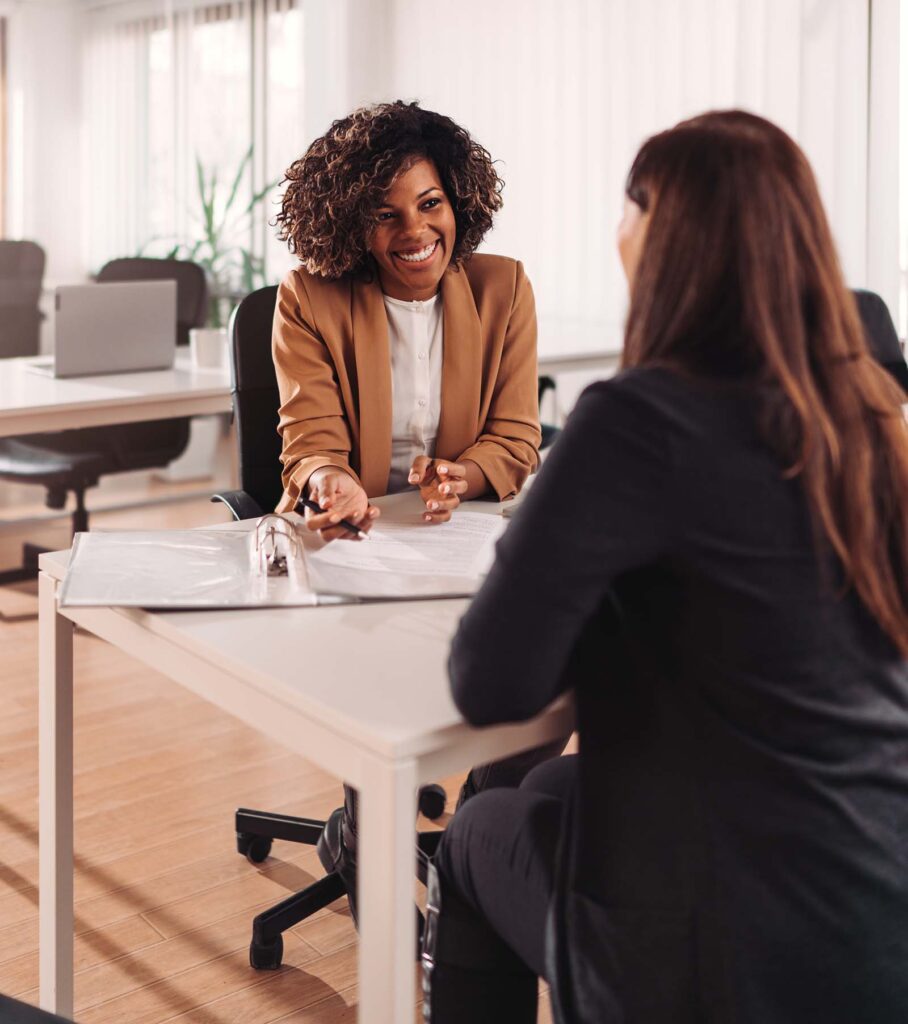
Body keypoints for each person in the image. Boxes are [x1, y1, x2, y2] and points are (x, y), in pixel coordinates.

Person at [422, 110, 908, 1024]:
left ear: (666, 236)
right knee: (551, 784)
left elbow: (490, 681)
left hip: (726, 966)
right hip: (875, 916)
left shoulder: (639, 421)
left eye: (629, 208)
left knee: (478, 830)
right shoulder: (872, 418)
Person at [271, 100, 564, 922]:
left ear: (457, 204)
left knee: (543, 672)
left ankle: (475, 838)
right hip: (358, 540)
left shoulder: (502, 288)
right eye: (384, 212)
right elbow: (310, 441)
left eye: (429, 204)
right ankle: (366, 848)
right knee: (371, 664)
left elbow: (515, 437)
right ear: (349, 224)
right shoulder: (310, 297)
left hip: (460, 538)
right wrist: (334, 482)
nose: (413, 231)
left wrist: (462, 477)